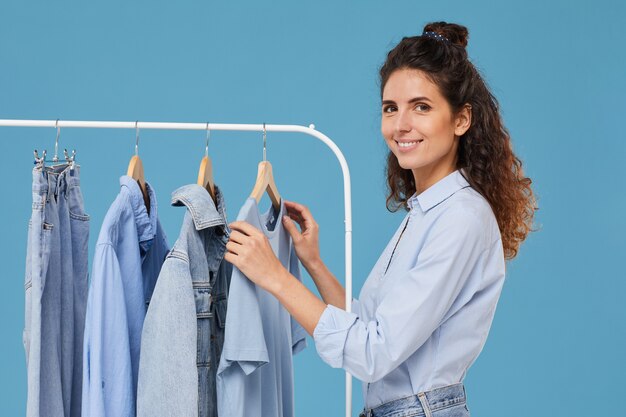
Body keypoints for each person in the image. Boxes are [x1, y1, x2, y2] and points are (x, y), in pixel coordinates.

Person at [225, 21, 536, 417]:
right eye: (391, 109)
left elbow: (372, 353)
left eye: (421, 107)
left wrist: (275, 277)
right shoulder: (427, 211)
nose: (401, 124)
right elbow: (370, 327)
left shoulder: (461, 218)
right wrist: (314, 264)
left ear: (461, 120)